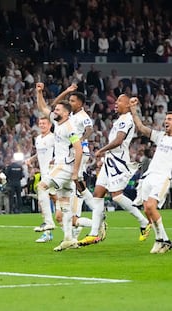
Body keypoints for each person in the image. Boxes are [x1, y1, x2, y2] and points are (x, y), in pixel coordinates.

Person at [78, 94, 151, 246]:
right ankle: (93, 234)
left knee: (117, 196)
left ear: (126, 104)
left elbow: (118, 141)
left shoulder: (127, 120)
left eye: (119, 101)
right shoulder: (120, 119)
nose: (116, 103)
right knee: (98, 194)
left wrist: (101, 150)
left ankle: (144, 221)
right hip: (110, 162)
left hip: (119, 163)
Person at [36, 82, 83, 251]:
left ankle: (47, 223)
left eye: (57, 111)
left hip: (64, 167)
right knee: (64, 205)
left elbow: (78, 150)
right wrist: (39, 92)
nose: (54, 111)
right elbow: (42, 107)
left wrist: (75, 172)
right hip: (63, 167)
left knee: (41, 187)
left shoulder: (69, 128)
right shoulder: (58, 124)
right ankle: (69, 238)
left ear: (66, 113)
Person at [53, 84, 100, 240]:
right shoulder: (70, 115)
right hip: (71, 153)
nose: (70, 103)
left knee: (74, 181)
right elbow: (55, 105)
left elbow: (90, 130)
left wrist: (80, 141)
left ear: (80, 103)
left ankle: (87, 213)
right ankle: (87, 212)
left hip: (80, 151)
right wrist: (66, 91)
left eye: (73, 100)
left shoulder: (83, 117)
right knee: (76, 182)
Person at [129, 97, 172, 253]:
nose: (167, 121)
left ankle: (164, 240)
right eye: (166, 119)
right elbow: (141, 128)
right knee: (147, 210)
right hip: (150, 176)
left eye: (170, 119)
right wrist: (133, 110)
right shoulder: (160, 136)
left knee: (151, 206)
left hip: (163, 177)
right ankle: (162, 239)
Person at [26, 116, 56, 243]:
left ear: (50, 125)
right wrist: (31, 159)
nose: (42, 125)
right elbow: (39, 153)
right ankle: (48, 233)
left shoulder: (53, 138)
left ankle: (72, 225)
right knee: (44, 202)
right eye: (40, 123)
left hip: (54, 173)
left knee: (54, 200)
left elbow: (61, 150)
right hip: (44, 173)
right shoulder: (38, 139)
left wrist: (56, 159)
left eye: (44, 123)